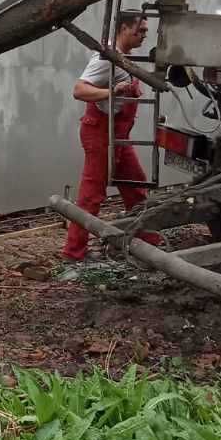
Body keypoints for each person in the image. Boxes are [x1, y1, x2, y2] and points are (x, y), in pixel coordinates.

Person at [62, 13, 164, 261]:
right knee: (92, 194)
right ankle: (73, 253)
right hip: (100, 132)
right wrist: (110, 91)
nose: (143, 36)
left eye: (146, 31)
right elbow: (79, 90)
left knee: (135, 186)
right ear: (123, 28)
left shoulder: (123, 57)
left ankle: (147, 242)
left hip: (118, 134)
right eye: (139, 30)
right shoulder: (106, 58)